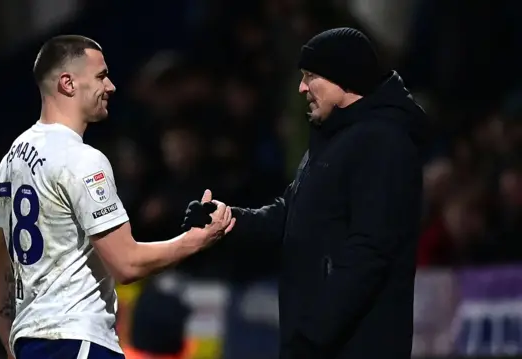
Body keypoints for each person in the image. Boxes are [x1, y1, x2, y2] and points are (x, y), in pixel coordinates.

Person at [0, 35, 235, 359]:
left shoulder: (13, 158)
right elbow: (126, 264)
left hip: (33, 343)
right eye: (101, 76)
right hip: (80, 342)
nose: (111, 86)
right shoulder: (83, 160)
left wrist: (13, 344)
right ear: (68, 83)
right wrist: (196, 240)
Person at [183, 28, 428, 359]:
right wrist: (230, 220)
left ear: (344, 77)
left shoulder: (384, 142)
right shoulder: (334, 137)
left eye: (311, 76)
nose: (301, 87)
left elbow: (369, 253)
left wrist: (313, 335)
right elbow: (292, 213)